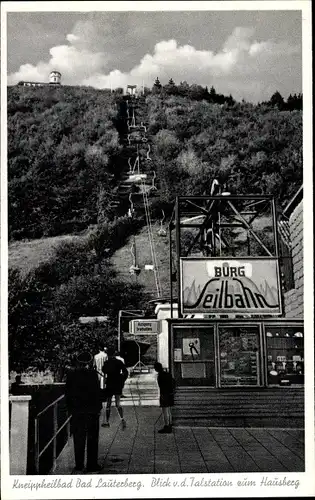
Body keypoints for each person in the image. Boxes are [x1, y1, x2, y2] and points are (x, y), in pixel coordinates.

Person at [65, 351, 102, 473]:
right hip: (91, 411)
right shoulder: (92, 374)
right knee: (92, 438)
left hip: (77, 411)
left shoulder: (71, 374)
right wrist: (99, 408)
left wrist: (69, 409)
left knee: (78, 438)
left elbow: (68, 393)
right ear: (90, 362)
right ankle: (92, 464)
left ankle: (79, 464)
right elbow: (97, 393)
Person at [102, 347, 128, 428]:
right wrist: (122, 379)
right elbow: (125, 372)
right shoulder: (119, 362)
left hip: (109, 384)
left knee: (108, 404)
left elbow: (104, 371)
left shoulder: (106, 363)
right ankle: (122, 419)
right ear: (114, 353)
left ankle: (107, 421)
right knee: (118, 403)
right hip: (117, 384)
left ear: (107, 354)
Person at [154, 362, 175, 434]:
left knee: (164, 411)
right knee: (169, 409)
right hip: (170, 394)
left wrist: (161, 396)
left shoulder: (160, 376)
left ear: (156, 369)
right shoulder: (168, 374)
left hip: (164, 394)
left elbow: (161, 387)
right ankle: (170, 423)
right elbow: (173, 382)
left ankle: (166, 426)